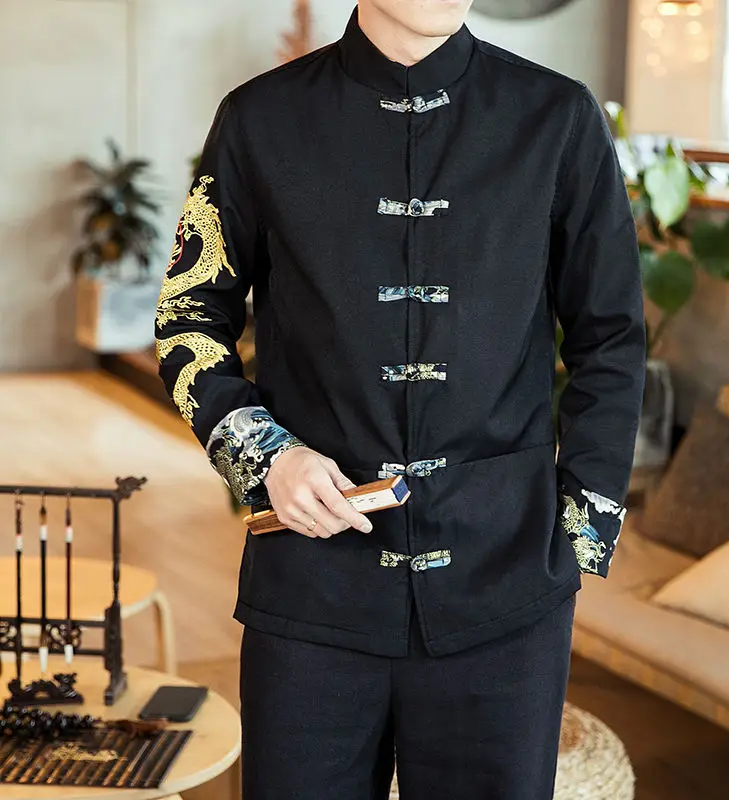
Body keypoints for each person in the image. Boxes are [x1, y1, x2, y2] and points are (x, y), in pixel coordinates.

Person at [154, 0, 647, 797]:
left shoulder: (557, 117)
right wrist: (266, 456)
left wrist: (576, 531)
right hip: (312, 584)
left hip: (506, 585)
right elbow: (188, 317)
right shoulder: (260, 118)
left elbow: (611, 334)